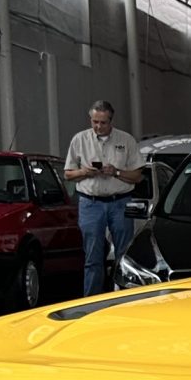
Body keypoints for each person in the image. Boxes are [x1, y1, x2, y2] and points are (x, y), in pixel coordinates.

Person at [63, 100, 139, 295]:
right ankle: (91, 302)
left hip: (120, 202)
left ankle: (125, 298)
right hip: (91, 203)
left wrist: (116, 172)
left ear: (111, 121)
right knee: (92, 257)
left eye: (102, 122)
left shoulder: (126, 140)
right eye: (94, 121)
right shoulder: (79, 140)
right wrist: (84, 172)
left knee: (124, 256)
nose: (98, 126)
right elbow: (68, 174)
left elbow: (138, 176)